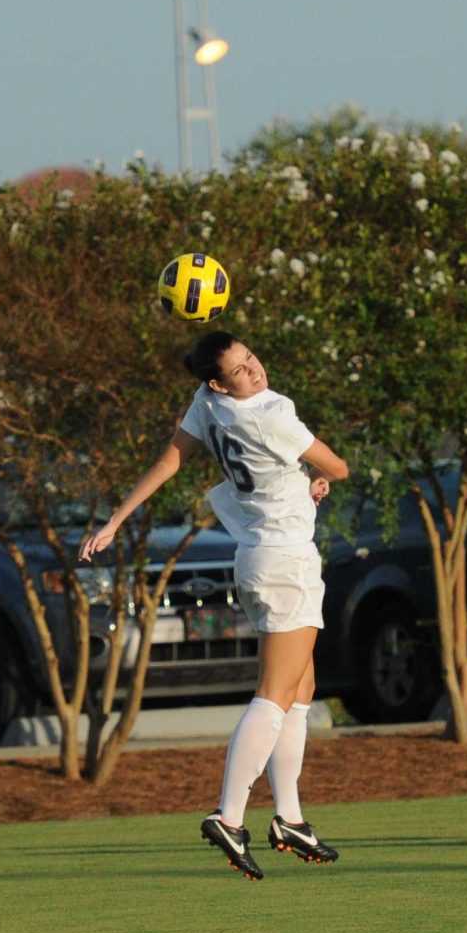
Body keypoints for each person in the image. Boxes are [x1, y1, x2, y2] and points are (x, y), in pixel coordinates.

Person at [83, 330, 350, 878]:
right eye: (240, 370)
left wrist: (116, 519)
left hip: (256, 557)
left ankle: (290, 817)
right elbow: (339, 465)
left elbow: (170, 460)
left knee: (301, 690)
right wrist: (320, 475)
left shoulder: (209, 405)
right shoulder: (273, 412)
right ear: (216, 382)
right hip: (286, 565)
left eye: (253, 360)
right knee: (275, 696)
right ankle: (229, 815)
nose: (254, 372)